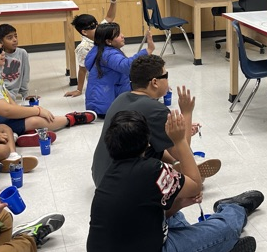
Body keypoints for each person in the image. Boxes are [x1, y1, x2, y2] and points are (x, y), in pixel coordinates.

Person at [87, 109, 263, 252]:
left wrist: (178, 205)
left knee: (172, 208)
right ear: (147, 142)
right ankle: (232, 209)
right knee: (226, 232)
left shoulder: (110, 173)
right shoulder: (153, 170)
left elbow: (143, 216)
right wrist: (179, 141)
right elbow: (195, 185)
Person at [91, 54, 220, 187]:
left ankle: (176, 167)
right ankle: (181, 169)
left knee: (155, 143)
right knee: (194, 178)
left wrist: (178, 129)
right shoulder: (156, 110)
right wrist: (186, 113)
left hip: (101, 175)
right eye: (166, 76)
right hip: (122, 184)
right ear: (154, 82)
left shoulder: (122, 97)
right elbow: (181, 150)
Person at [0, 34, 96, 147]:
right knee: (36, 119)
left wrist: (22, 109)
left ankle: (25, 134)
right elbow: (5, 111)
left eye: (1, 49)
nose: (3, 53)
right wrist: (37, 110)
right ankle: (71, 118)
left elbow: (4, 93)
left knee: (31, 113)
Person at [84, 22, 153, 117]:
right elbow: (127, 66)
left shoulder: (100, 49)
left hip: (101, 102)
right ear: (108, 41)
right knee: (150, 90)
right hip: (105, 108)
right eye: (118, 35)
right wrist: (148, 50)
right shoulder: (109, 54)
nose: (122, 36)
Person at [65, 0, 118, 97]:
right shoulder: (84, 47)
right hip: (99, 81)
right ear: (84, 32)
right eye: (93, 26)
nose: (98, 26)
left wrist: (113, 0)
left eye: (97, 23)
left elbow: (109, 17)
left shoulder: (100, 31)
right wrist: (79, 90)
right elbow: (82, 69)